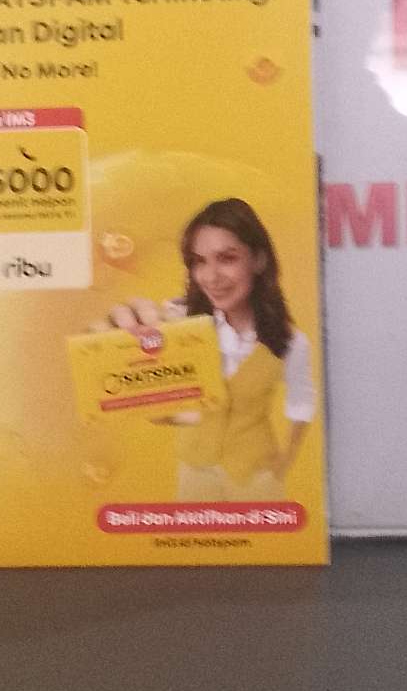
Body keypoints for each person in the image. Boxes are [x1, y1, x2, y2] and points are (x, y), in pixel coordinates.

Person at [107, 197, 316, 499]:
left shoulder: (289, 340)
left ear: (259, 260)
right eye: (199, 262)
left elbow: (301, 403)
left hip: (256, 475)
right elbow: (151, 401)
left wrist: (285, 463)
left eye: (227, 258)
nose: (211, 277)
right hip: (195, 473)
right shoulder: (178, 322)